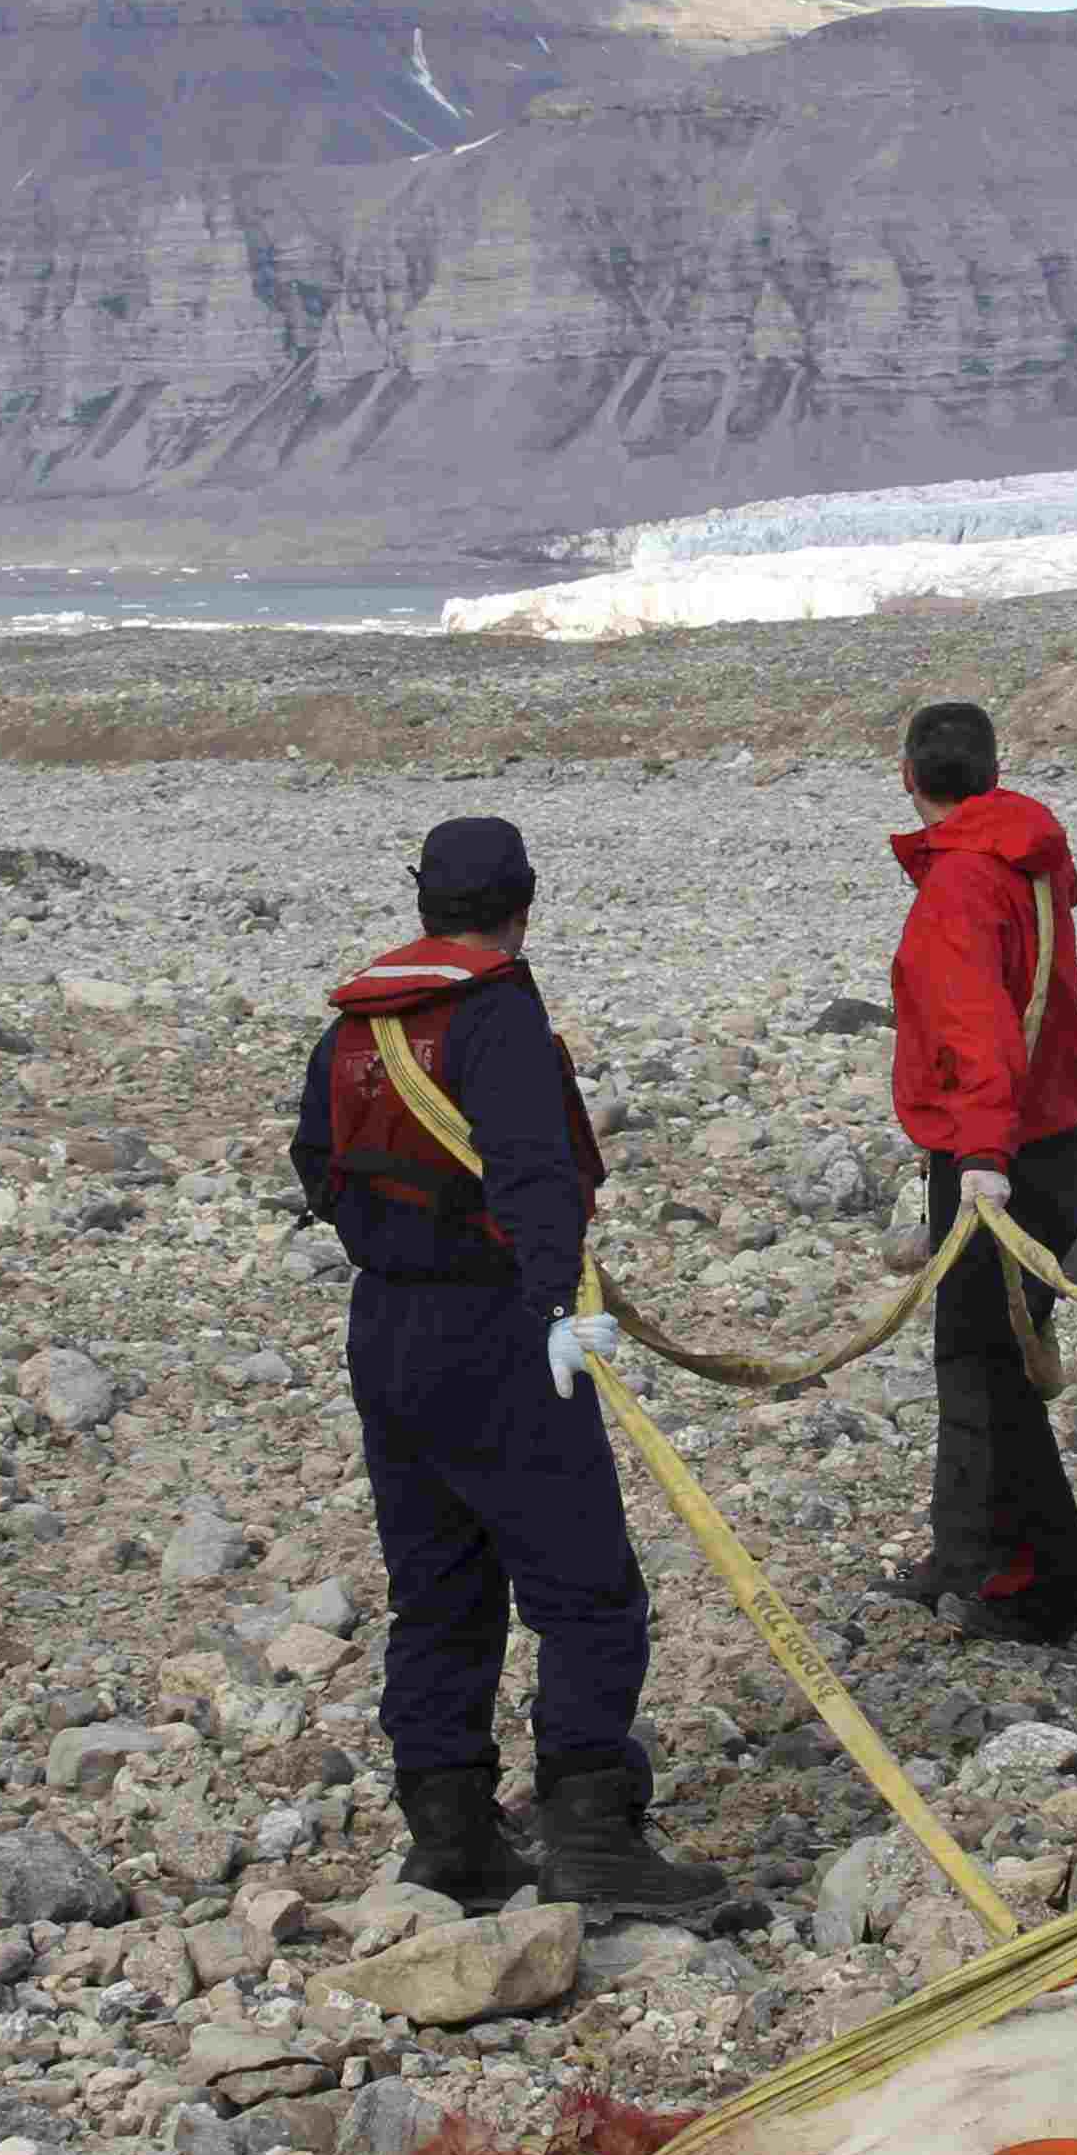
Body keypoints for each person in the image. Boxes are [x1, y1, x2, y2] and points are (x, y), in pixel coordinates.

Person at [291, 817, 744, 1928]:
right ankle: (589, 1836)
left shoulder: (355, 1028)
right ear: (523, 903)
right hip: (497, 1330)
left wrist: (399, 1250)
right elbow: (537, 1172)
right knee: (587, 1590)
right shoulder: (497, 1013)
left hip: (386, 1331)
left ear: (422, 903)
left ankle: (449, 1837)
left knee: (438, 1587)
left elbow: (317, 1162)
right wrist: (554, 1303)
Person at [878, 701, 1077, 1646]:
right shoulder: (1026, 861)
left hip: (995, 1155)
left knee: (984, 1368)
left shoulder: (963, 883)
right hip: (1043, 1143)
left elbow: (976, 1030)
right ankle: (965, 1554)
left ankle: (1037, 1583)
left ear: (909, 776)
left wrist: (976, 1160)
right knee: (982, 1359)